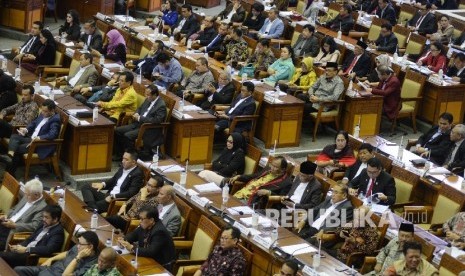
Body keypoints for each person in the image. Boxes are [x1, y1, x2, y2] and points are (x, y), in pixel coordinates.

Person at [0, 99, 60, 174]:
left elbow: (53, 134)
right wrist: (26, 129)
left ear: (52, 110)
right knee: (15, 136)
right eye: (42, 110)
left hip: (39, 144)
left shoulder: (55, 120)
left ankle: (9, 174)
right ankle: (10, 155)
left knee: (16, 148)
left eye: (45, 111)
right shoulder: (43, 114)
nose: (43, 113)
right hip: (31, 138)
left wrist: (39, 138)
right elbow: (34, 123)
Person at [81, 149, 144, 213]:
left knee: (87, 205)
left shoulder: (137, 174)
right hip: (109, 195)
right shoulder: (123, 167)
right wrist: (103, 184)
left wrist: (114, 197)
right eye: (123, 158)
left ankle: (92, 207)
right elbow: (114, 180)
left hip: (115, 200)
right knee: (86, 187)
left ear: (133, 162)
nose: (123, 161)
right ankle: (93, 207)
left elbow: (131, 193)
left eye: (126, 160)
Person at [114, 84, 167, 160]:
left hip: (147, 129)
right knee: (117, 130)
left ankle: (132, 158)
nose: (146, 96)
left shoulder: (161, 105)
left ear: (155, 95)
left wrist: (140, 118)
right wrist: (136, 113)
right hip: (137, 124)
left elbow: (157, 120)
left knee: (127, 136)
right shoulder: (148, 99)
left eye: (148, 95)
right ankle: (120, 154)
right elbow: (140, 108)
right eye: (145, 94)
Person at [14, 231, 99, 276]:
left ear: (90, 246)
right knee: (18, 270)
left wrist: (78, 257)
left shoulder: (92, 264)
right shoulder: (79, 247)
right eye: (78, 243)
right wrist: (51, 259)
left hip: (56, 274)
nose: (77, 246)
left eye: (80, 244)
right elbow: (67, 253)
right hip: (50, 268)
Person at [0, 179, 46, 250]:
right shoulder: (27, 195)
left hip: (12, 231)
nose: (25, 196)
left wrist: (15, 225)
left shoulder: (42, 207)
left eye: (28, 195)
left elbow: (34, 226)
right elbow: (14, 208)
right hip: (5, 222)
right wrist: (6, 216)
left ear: (36, 195)